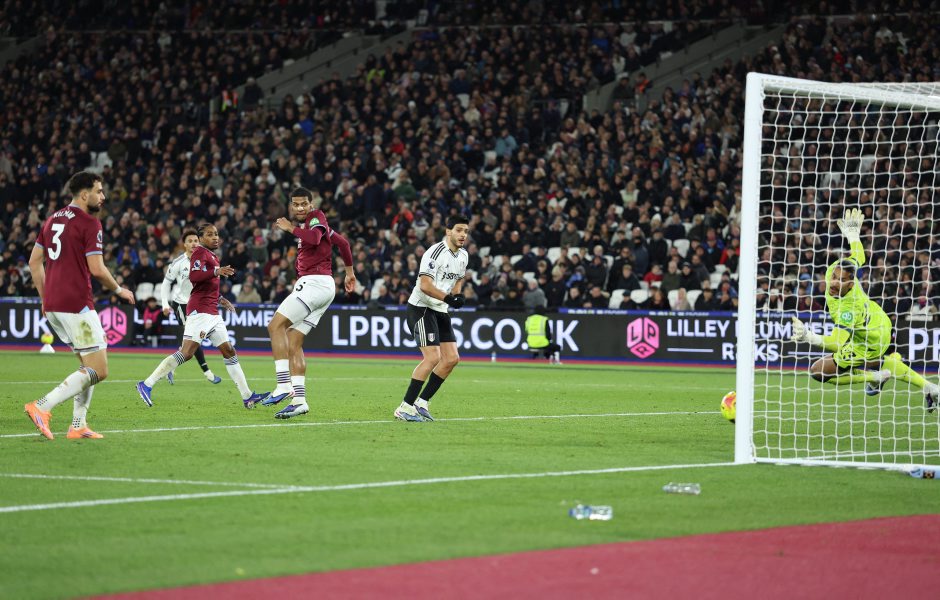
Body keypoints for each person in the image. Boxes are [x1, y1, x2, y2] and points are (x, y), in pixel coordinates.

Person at [25, 171, 136, 440]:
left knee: (88, 365)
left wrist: (44, 297)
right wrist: (119, 289)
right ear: (85, 195)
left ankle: (78, 425)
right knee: (99, 369)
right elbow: (97, 269)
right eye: (99, 191)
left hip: (54, 304)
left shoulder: (52, 219)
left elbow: (34, 262)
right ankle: (42, 406)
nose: (103, 196)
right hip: (76, 304)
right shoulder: (89, 223)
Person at [790, 209, 939, 407]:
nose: (833, 282)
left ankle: (875, 377)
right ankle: (927, 385)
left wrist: (808, 336)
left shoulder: (848, 309)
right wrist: (853, 236)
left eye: (841, 281)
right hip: (879, 319)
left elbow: (837, 343)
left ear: (851, 284)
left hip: (870, 337)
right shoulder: (838, 268)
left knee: (818, 372)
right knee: (877, 361)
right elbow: (859, 255)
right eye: (834, 277)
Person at [136, 224, 268, 409]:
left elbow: (207, 285)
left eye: (216, 234)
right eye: (210, 234)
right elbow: (195, 276)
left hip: (212, 312)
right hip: (199, 311)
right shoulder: (199, 252)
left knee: (229, 350)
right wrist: (216, 271)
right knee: (187, 353)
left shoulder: (212, 256)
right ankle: (146, 384)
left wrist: (220, 299)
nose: (215, 237)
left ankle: (248, 397)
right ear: (201, 238)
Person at [261, 187, 356, 419]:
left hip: (314, 283)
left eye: (304, 203)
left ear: (311, 204)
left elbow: (313, 239)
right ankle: (299, 401)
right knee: (293, 342)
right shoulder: (318, 226)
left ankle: (283, 385)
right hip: (323, 287)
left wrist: (290, 228)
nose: (300, 208)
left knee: (275, 326)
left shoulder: (316, 217)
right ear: (291, 206)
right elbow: (343, 244)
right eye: (296, 204)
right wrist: (349, 273)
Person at [395, 215, 471, 422]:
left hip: (440, 309)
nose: (463, 235)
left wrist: (458, 295)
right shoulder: (435, 252)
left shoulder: (463, 255)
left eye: (466, 231)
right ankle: (405, 407)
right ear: (448, 231)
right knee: (432, 358)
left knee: (452, 359)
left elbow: (458, 280)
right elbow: (425, 286)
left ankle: (421, 403)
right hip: (421, 308)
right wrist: (449, 298)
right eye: (459, 230)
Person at [159, 230, 222, 384]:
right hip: (182, 304)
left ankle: (170, 367)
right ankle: (207, 372)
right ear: (185, 244)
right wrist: (165, 304)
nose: (194, 243)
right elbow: (166, 283)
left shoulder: (205, 258)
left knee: (190, 342)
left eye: (196, 240)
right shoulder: (178, 263)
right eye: (190, 241)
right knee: (194, 338)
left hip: (200, 304)